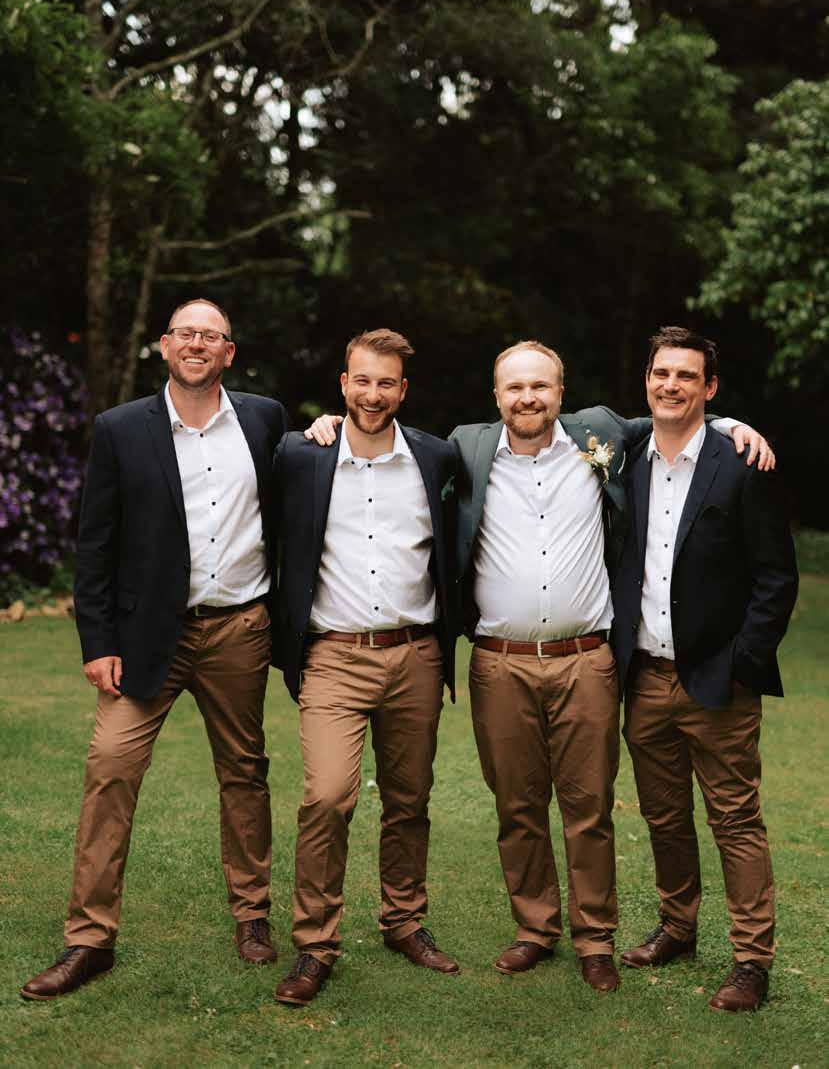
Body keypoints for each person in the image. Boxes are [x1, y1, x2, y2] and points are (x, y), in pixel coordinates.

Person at [308, 339, 771, 993]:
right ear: (496, 396)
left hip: (587, 661)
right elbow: (381, 432)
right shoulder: (464, 448)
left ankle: (595, 938)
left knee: (589, 809)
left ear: (561, 392)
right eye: (515, 388)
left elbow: (673, 412)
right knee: (517, 807)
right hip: (500, 663)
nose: (528, 398)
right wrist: (331, 422)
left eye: (540, 386)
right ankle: (535, 928)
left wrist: (728, 423)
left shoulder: (598, 436)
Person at [20, 299, 288, 1001]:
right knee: (110, 767)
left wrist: (325, 428)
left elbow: (300, 488)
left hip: (239, 628)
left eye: (211, 335)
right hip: (145, 637)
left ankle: (252, 916)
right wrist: (97, 641)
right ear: (165, 346)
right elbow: (95, 543)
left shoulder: (264, 419)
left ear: (229, 352)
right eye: (185, 333)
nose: (197, 343)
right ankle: (89, 939)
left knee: (245, 771)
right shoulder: (120, 428)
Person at [612, 327, 798, 1012]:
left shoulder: (742, 463)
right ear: (646, 379)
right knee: (664, 816)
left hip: (720, 680)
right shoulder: (623, 457)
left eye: (686, 375)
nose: (671, 385)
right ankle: (677, 926)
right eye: (661, 372)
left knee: (735, 821)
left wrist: (743, 663)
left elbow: (776, 577)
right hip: (644, 679)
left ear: (709, 387)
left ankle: (751, 960)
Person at [271, 329, 459, 1006]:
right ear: (342, 383)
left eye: (386, 383)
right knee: (327, 795)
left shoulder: (436, 457)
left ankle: (403, 920)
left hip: (415, 653)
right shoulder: (301, 454)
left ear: (402, 390)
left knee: (409, 799)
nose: (372, 394)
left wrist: (725, 423)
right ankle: (315, 943)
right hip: (333, 655)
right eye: (362, 381)